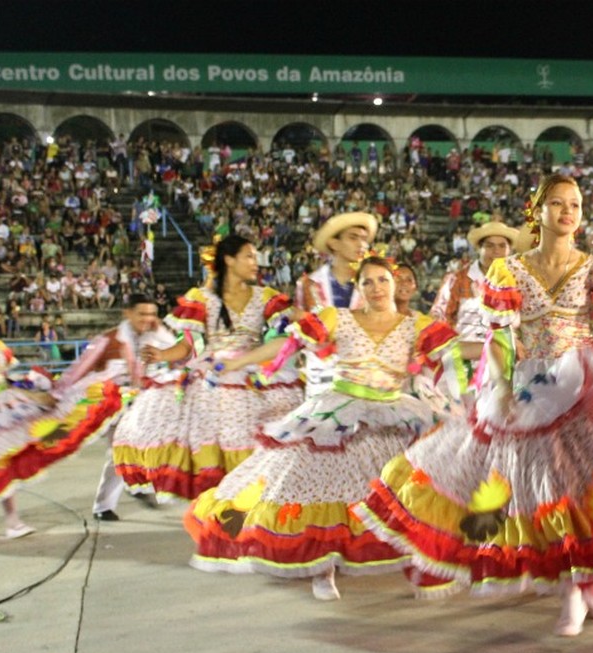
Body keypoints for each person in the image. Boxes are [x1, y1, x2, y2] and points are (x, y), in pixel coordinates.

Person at [355, 175, 593, 636]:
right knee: (546, 488)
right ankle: (572, 590)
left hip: (585, 379)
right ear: (538, 210)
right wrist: (503, 386)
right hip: (532, 386)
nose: (568, 211)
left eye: (574, 204)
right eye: (557, 203)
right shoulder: (509, 271)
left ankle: (592, 583)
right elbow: (498, 340)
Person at [185, 257, 464, 598]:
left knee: (407, 493)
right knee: (325, 490)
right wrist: (241, 361)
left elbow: (452, 357)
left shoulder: (418, 325)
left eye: (382, 280)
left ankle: (419, 563)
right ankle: (321, 567)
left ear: (393, 283)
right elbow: (288, 347)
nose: (377, 288)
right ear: (358, 288)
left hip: (395, 415)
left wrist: (481, 373)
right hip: (340, 414)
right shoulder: (338, 318)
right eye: (368, 282)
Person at [111, 235, 304, 503]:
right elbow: (188, 347)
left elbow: (303, 323)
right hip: (213, 378)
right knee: (218, 451)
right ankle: (223, 510)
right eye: (248, 256)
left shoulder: (265, 296)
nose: (255, 262)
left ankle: (248, 506)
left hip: (251, 372)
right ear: (229, 260)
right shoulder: (201, 298)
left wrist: (325, 320)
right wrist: (162, 355)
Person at [0, 295, 122, 536]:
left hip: (2, 405)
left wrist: (34, 394)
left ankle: (10, 521)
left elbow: (5, 378)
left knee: (12, 455)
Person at [56, 293, 175, 521]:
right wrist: (58, 393)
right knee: (120, 452)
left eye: (152, 314)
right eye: (142, 313)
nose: (147, 319)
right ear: (127, 313)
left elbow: (178, 352)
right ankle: (108, 503)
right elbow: (79, 369)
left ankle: (130, 488)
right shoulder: (108, 340)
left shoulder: (155, 336)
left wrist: (161, 331)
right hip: (111, 405)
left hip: (144, 404)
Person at [295, 212, 377, 398]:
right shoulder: (308, 285)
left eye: (364, 239)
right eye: (353, 237)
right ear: (334, 243)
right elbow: (299, 336)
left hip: (363, 379)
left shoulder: (375, 286)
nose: (361, 245)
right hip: (319, 380)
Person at [430, 221, 518, 345]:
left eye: (502, 246)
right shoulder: (457, 280)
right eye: (490, 246)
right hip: (464, 356)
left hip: (504, 358)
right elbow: (440, 317)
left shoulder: (517, 282)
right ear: (479, 249)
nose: (496, 251)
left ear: (509, 250)